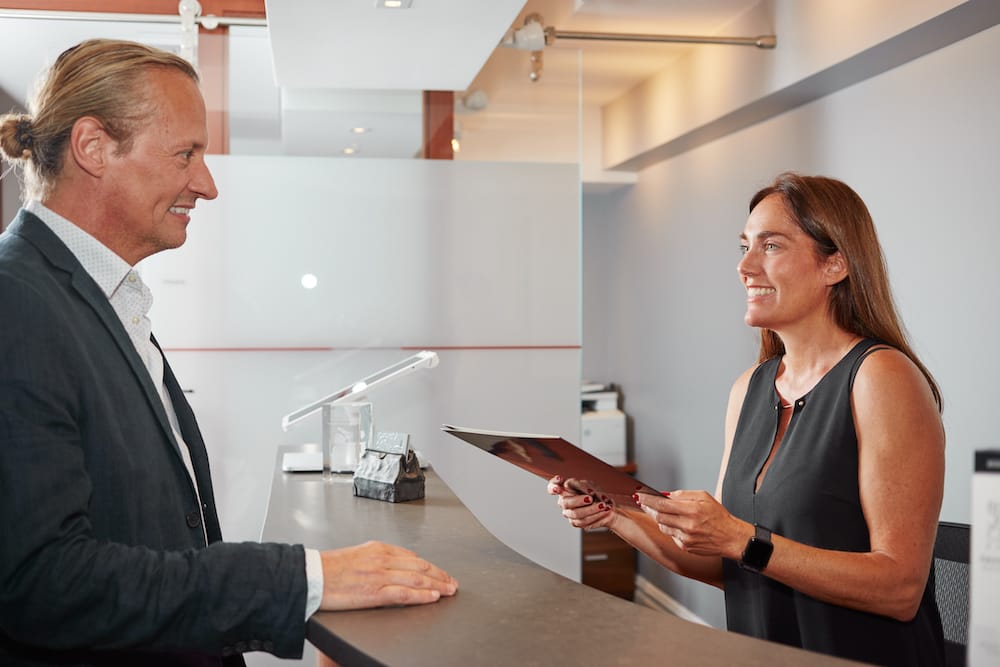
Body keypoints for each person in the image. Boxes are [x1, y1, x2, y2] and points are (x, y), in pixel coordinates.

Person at [0, 39, 456, 667]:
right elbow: (43, 582)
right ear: (93, 147)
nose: (207, 185)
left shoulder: (102, 294)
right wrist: (307, 582)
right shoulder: (15, 303)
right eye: (185, 153)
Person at [549, 172, 945, 666]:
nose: (744, 266)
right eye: (744, 246)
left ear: (835, 264)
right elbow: (726, 562)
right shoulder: (749, 389)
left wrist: (740, 537)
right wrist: (614, 514)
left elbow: (900, 587)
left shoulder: (880, 377)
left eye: (771, 246)